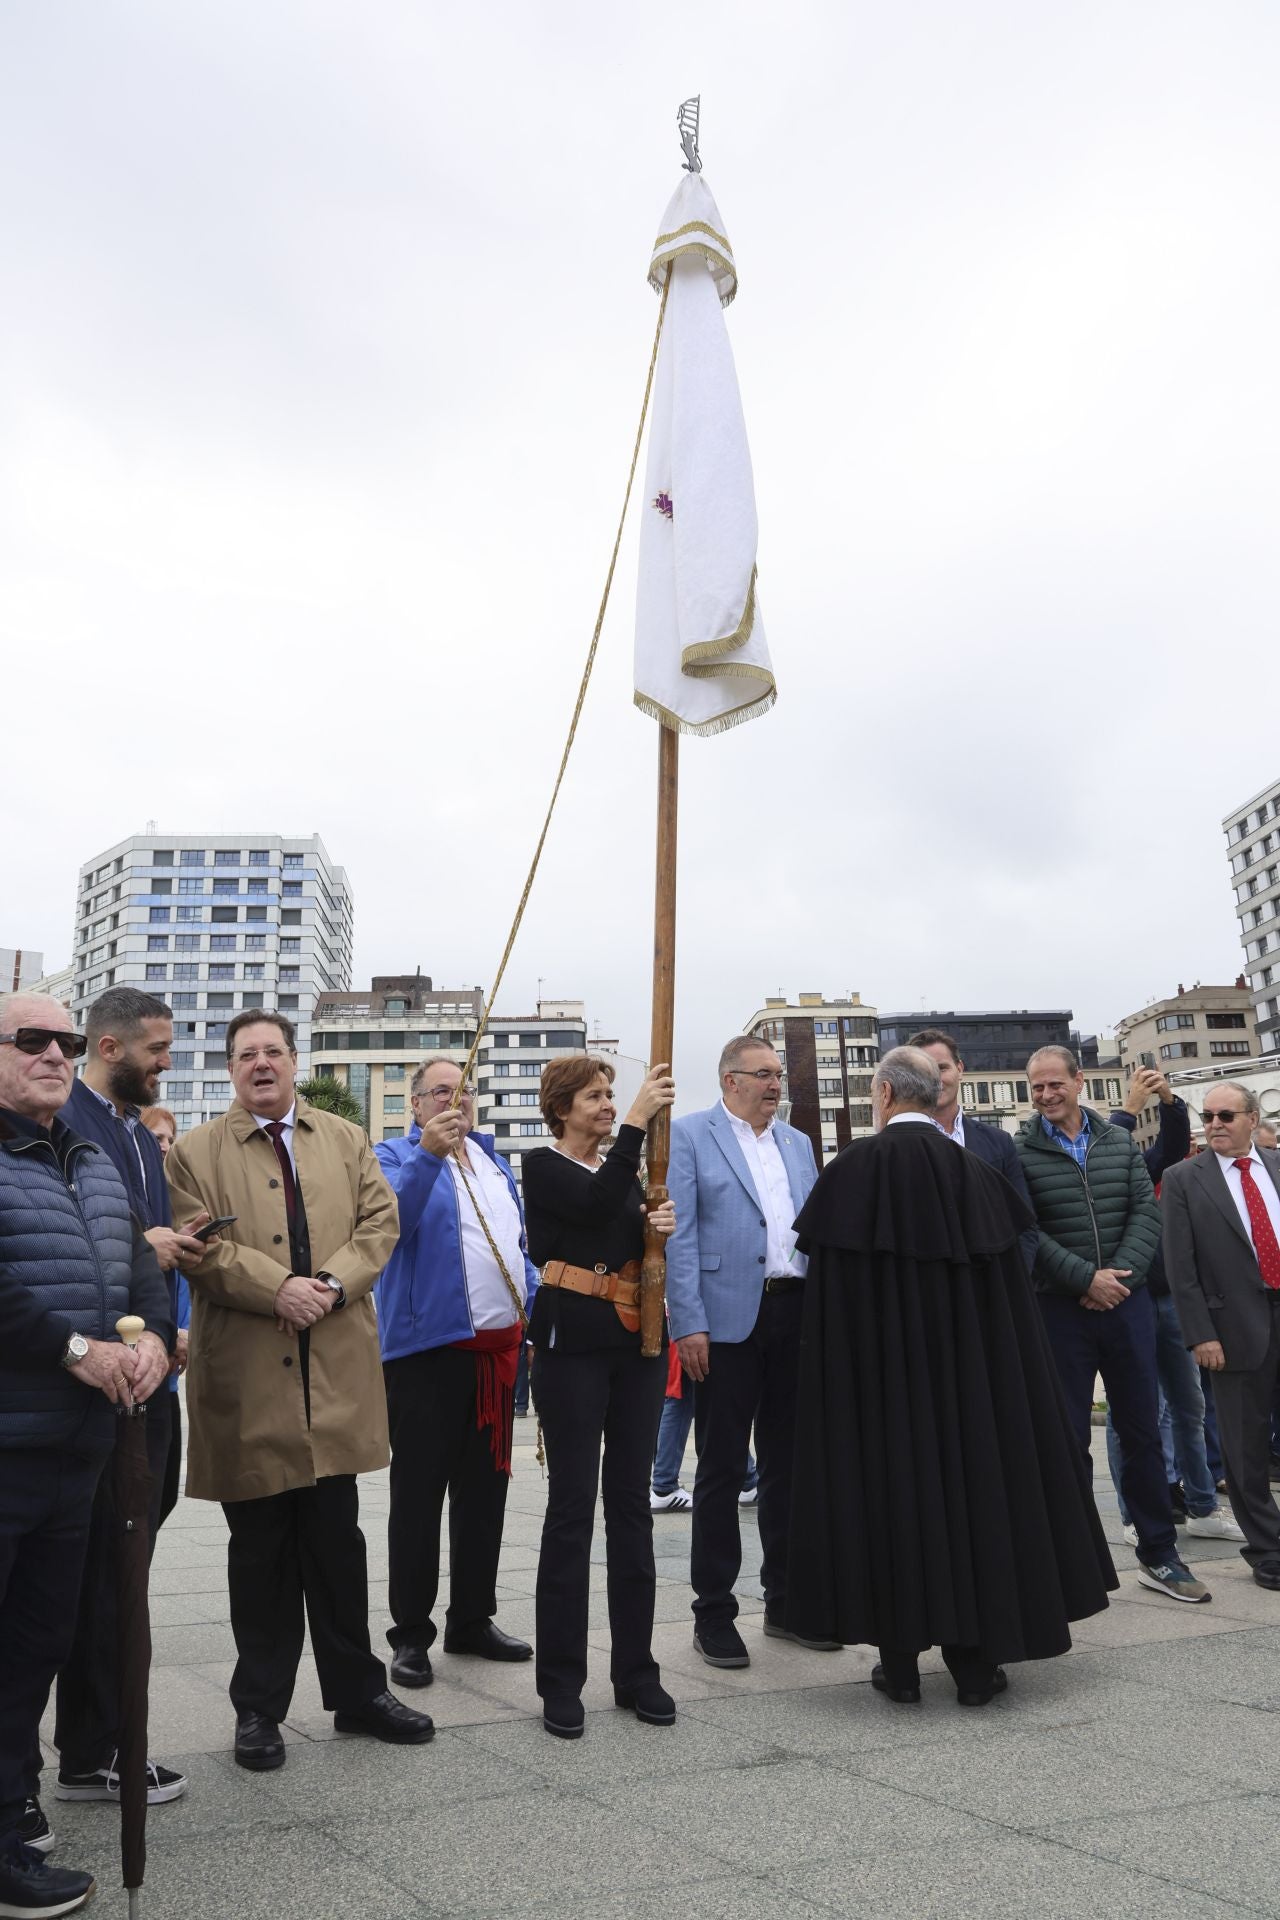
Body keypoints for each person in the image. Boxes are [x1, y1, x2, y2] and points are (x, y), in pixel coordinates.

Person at [787, 1048, 1116, 1706]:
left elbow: (827, 1309)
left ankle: (900, 1669)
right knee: (973, 1503)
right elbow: (1008, 1307)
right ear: (933, 1094)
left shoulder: (849, 1177)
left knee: (888, 1503)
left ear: (882, 1095)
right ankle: (974, 1668)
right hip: (971, 1392)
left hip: (877, 1394)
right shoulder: (977, 1176)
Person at [165, 1010, 433, 1769]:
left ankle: (358, 1694)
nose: (261, 1064)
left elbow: (380, 1225)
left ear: (292, 1061)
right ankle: (259, 1711)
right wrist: (279, 1288)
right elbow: (199, 1246)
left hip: (334, 1372)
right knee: (259, 1555)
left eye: (273, 1052)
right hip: (251, 1376)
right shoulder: (193, 1152)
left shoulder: (344, 1139)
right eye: (246, 1054)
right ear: (230, 1070)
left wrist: (329, 1286)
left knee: (337, 1545)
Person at [0, 993, 173, 1919]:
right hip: (8, 1438)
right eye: (31, 1040)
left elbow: (140, 1275)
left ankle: (11, 1810)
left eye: (65, 1041)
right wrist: (79, 1350)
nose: (55, 1054)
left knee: (37, 1642)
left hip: (81, 1453)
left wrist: (151, 1341)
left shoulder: (94, 1162)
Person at [48, 992, 203, 1824]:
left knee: (128, 1565)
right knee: (101, 1574)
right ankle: (96, 1750)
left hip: (154, 1382)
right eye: (159, 1049)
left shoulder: (142, 1135)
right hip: (95, 1381)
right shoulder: (65, 1120)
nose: (167, 1062)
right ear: (110, 1046)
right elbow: (94, 1243)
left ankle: (97, 1744)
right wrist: (151, 1249)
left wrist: (170, 1326)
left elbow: (148, 1243)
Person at [1014, 1046, 1210, 1603]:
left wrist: (1116, 1280)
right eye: (1037, 1088)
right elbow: (1028, 1231)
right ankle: (1072, 1556)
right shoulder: (1019, 1153)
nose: (1047, 1096)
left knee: (1143, 1431)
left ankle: (1159, 1553)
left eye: (1056, 1084)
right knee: (1068, 1437)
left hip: (1127, 1306)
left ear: (1079, 1082)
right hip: (1060, 1311)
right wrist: (1085, 1279)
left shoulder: (1119, 1141)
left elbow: (1145, 1214)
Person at [521, 1056, 676, 1739]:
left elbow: (622, 1226)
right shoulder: (543, 1165)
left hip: (637, 1348)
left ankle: (638, 1672)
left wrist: (656, 1223)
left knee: (631, 1510)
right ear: (561, 1108)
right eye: (595, 1096)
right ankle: (561, 1681)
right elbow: (586, 1208)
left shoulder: (628, 1172)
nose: (610, 1105)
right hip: (570, 1353)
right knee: (571, 1512)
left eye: (613, 1095)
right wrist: (642, 1122)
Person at [374, 1060, 537, 1687]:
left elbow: (516, 1246)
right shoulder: (393, 1155)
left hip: (497, 1353)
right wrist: (429, 1157)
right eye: (441, 1090)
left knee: (484, 1494)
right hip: (426, 1352)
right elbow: (391, 1226)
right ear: (416, 1106)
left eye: (463, 1089)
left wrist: (534, 1305)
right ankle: (410, 1633)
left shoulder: (495, 1164)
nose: (455, 1098)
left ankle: (472, 1617)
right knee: (418, 1497)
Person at [665, 1035, 824, 1669]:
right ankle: (714, 1613)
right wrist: (689, 1322)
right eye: (763, 1075)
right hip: (726, 1321)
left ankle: (786, 1603)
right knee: (723, 1469)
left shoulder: (797, 1143)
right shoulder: (690, 1135)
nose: (775, 1085)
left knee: (788, 1466)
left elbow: (811, 1226)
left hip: (794, 1313)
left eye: (779, 1075)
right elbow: (677, 1235)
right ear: (731, 1080)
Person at [1102, 1067, 1242, 1547]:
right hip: (1128, 1297)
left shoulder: (1142, 1166)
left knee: (1189, 1405)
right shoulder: (1101, 1156)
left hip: (1167, 1297)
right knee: (1134, 1411)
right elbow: (1110, 1144)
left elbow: (1172, 1148)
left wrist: (1168, 1102)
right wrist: (1128, 1109)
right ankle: (1133, 1514)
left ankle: (1202, 1505)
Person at [1162, 1083, 1280, 1589]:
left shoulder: (1276, 1164)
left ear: (1252, 1119)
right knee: (1244, 1444)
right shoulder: (1184, 1179)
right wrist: (1200, 1334)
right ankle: (1268, 1549)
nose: (1214, 1124)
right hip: (1231, 1329)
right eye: (1207, 1116)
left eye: (1225, 1115)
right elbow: (1180, 1268)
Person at [908, 1027, 1038, 1273]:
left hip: (992, 1289)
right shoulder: (897, 1149)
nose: (934, 1079)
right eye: (923, 1072)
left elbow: (1024, 1224)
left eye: (942, 1068)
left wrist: (1014, 1287)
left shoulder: (999, 1143)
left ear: (960, 1069)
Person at [139, 1107, 191, 1529]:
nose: (165, 1146)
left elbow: (185, 1287)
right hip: (140, 1367)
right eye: (156, 1137)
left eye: (170, 1139)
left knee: (163, 1494)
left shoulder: (171, 1199)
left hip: (170, 1376)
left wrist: (186, 1332)